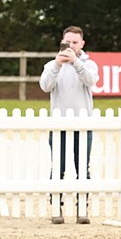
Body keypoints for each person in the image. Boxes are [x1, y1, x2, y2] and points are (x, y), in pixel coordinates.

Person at [39, 26, 98, 224]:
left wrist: (76, 63)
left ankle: (82, 210)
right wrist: (57, 65)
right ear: (62, 42)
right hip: (59, 125)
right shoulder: (52, 65)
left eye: (75, 42)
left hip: (83, 124)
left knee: (83, 168)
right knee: (58, 168)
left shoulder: (89, 64)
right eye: (68, 42)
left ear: (82, 44)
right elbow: (45, 86)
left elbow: (91, 80)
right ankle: (57, 208)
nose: (71, 46)